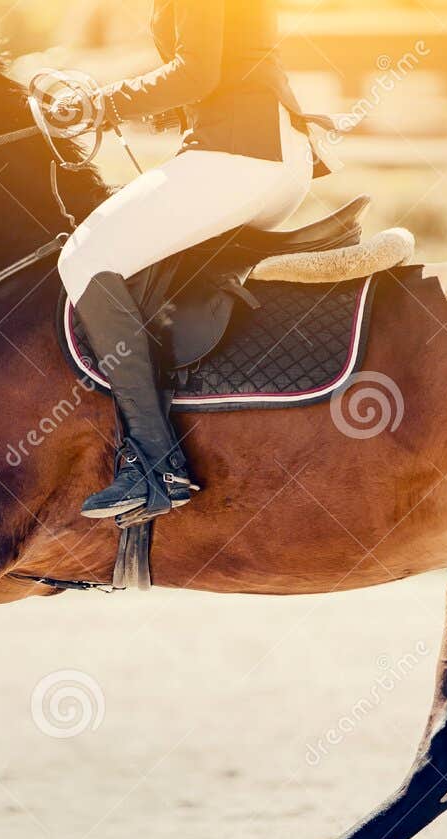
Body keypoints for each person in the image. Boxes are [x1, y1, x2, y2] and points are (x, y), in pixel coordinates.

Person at [54, 0, 331, 523]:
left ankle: (156, 463)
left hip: (241, 153)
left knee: (85, 256)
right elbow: (218, 68)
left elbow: (195, 73)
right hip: (266, 152)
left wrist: (104, 104)